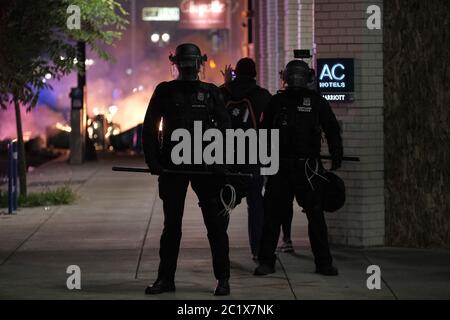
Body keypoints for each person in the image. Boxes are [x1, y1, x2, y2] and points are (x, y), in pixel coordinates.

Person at [142, 43, 233, 296]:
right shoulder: (165, 91)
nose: (188, 68)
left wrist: (220, 162)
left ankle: (223, 278)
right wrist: (154, 162)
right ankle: (166, 279)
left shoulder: (211, 92)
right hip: (174, 168)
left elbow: (226, 130)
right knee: (172, 227)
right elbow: (149, 128)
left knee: (215, 226)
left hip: (204, 165)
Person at [254, 59, 343, 276]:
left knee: (311, 216)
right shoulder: (280, 102)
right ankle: (269, 260)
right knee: (278, 217)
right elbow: (264, 133)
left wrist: (336, 152)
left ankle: (320, 262)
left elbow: (331, 128)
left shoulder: (312, 102)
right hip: (286, 168)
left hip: (306, 168)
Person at [219, 58, 272, 260]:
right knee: (255, 204)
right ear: (255, 74)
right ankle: (257, 250)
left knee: (224, 204)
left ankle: (221, 251)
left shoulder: (222, 93)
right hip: (252, 158)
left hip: (225, 158)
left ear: (235, 73)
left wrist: (226, 83)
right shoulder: (262, 96)